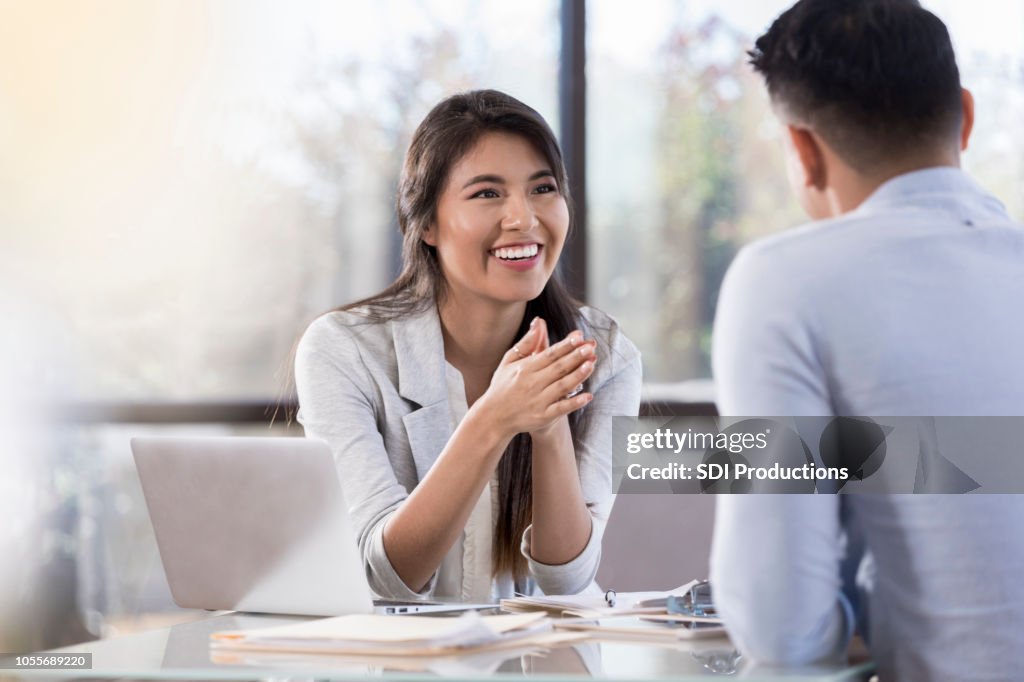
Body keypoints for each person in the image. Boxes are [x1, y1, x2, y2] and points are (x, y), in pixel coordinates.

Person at [708, 0, 1024, 679]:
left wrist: (849, 620)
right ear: (965, 117)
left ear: (802, 150)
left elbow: (781, 629)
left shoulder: (784, 280)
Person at [294, 90, 642, 602]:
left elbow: (567, 579)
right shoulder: (343, 350)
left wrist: (548, 430)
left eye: (543, 188)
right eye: (487, 194)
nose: (523, 218)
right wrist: (493, 419)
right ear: (427, 224)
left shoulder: (605, 355)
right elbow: (386, 577)